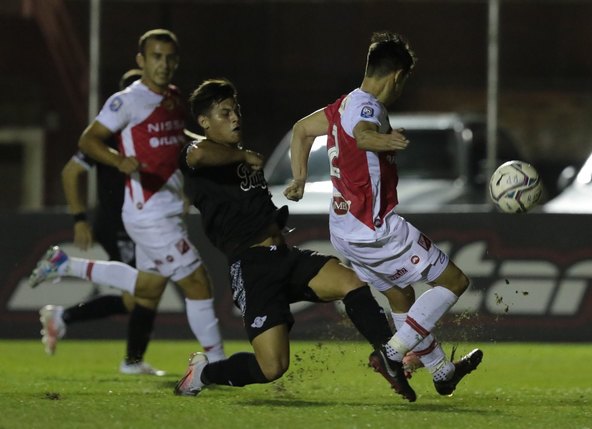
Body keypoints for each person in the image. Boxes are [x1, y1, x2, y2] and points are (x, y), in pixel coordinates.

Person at [172, 78, 415, 400]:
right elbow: (197, 154)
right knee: (271, 368)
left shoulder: (236, 154)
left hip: (283, 256)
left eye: (236, 110)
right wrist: (243, 157)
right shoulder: (199, 157)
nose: (235, 117)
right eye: (225, 112)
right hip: (251, 267)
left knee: (352, 283)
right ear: (204, 122)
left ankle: (389, 357)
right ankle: (204, 372)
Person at [283, 31, 483, 400]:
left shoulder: (341, 105)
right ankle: (391, 354)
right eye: (404, 82)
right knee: (455, 282)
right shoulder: (368, 106)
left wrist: (298, 179)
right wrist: (383, 139)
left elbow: (300, 131)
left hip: (345, 229)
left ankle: (442, 371)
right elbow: (362, 134)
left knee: (400, 297)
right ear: (397, 76)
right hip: (375, 227)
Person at [29, 29, 226, 365]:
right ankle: (218, 364)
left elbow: (179, 139)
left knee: (146, 289)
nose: (163, 64)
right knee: (197, 282)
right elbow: (87, 144)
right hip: (145, 212)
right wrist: (118, 161)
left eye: (168, 58)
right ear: (141, 60)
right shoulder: (126, 103)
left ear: (176, 61)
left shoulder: (175, 98)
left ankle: (66, 265)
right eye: (155, 57)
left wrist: (213, 148)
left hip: (165, 207)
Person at [35, 69, 167, 376]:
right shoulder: (106, 137)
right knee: (143, 292)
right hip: (117, 224)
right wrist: (80, 219)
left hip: (140, 221)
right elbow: (70, 173)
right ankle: (130, 361)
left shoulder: (149, 134)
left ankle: (64, 318)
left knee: (141, 294)